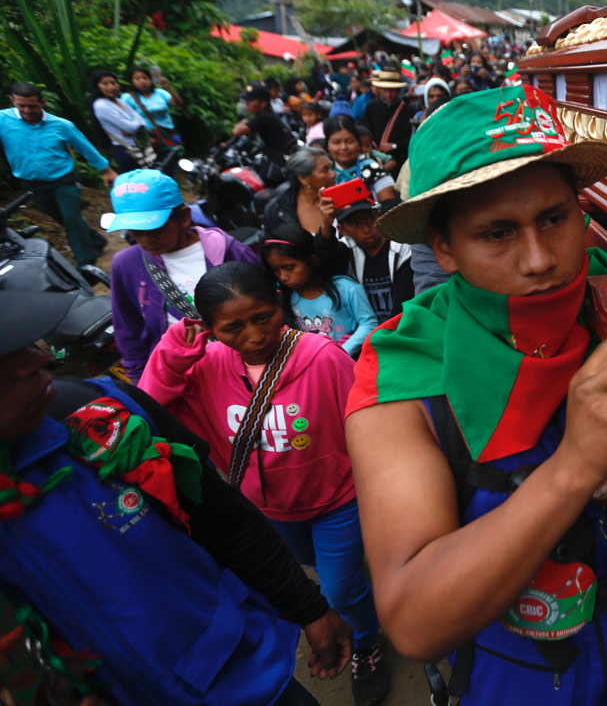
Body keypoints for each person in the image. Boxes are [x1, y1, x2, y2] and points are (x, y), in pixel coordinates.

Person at [343, 86, 607, 704]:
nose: (539, 261)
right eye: (497, 233)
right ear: (444, 249)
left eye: (555, 219)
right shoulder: (401, 374)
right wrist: (577, 464)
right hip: (514, 675)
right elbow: (414, 620)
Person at [0, 288, 354, 706]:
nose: (39, 359)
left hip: (239, 676)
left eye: (25, 344)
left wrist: (308, 608)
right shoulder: (208, 365)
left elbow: (225, 521)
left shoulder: (104, 421)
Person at [137, 262, 390, 706]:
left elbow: (366, 422)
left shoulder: (322, 356)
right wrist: (172, 352)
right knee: (320, 570)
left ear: (281, 307)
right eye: (233, 327)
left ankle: (367, 640)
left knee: (338, 589)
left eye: (263, 318)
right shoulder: (206, 365)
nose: (254, 336)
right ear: (209, 329)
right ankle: (353, 592)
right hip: (266, 512)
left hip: (338, 501)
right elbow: (149, 411)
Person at [107, 168, 259, 382]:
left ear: (184, 218)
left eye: (153, 229)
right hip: (180, 379)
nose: (144, 240)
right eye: (134, 231)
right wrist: (140, 380)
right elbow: (128, 330)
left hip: (245, 367)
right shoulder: (126, 265)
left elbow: (268, 309)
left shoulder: (230, 251)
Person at [0, 82, 116, 269]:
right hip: (32, 185)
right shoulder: (2, 120)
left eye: (33, 105)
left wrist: (106, 170)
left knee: (71, 217)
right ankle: (96, 240)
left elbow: (85, 147)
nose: (27, 110)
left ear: (43, 103)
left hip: (64, 180)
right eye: (21, 105)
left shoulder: (61, 125)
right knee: (63, 219)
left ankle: (86, 264)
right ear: (12, 101)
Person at [262, 224, 378, 358]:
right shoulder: (287, 297)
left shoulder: (345, 288)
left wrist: (342, 352)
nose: (283, 276)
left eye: (289, 268)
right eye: (276, 270)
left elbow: (369, 323)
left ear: (312, 260)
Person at [315, 199, 413, 324]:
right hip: (364, 330)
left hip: (401, 326)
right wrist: (326, 225)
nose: (366, 229)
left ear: (380, 216)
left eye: (370, 218)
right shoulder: (346, 248)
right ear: (342, 230)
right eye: (355, 223)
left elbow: (406, 299)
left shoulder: (402, 248)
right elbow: (327, 264)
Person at [263, 146, 338, 236]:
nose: (333, 174)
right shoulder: (277, 209)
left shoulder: (342, 197)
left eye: (331, 168)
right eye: (325, 170)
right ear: (303, 178)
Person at [89, 69, 155, 172]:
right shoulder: (101, 105)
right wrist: (134, 126)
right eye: (105, 84)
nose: (111, 87)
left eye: (113, 82)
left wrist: (134, 127)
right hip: (126, 151)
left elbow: (143, 122)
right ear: (97, 86)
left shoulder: (119, 101)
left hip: (140, 148)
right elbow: (131, 127)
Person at [232, 86, 297, 183]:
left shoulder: (262, 117)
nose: (247, 104)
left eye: (250, 100)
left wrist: (243, 121)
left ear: (263, 103)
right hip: (285, 157)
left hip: (280, 162)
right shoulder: (268, 113)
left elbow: (236, 132)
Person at [324, 116, 396, 202]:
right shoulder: (323, 172)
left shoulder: (373, 168)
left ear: (358, 143)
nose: (343, 147)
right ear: (327, 145)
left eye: (349, 141)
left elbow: (389, 205)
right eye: (336, 142)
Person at [121, 65, 182, 155]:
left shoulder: (160, 92)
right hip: (148, 138)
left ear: (150, 79)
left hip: (169, 133)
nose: (142, 81)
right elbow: (123, 118)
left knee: (174, 159)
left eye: (145, 78)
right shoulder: (127, 98)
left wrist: (168, 87)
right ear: (132, 81)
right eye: (137, 79)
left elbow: (178, 103)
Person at [361, 72, 409, 176]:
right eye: (385, 90)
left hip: (400, 161)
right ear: (380, 89)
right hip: (375, 159)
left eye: (392, 90)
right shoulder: (371, 107)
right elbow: (364, 132)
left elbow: (412, 137)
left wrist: (394, 146)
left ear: (399, 90)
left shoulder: (408, 110)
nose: (388, 94)